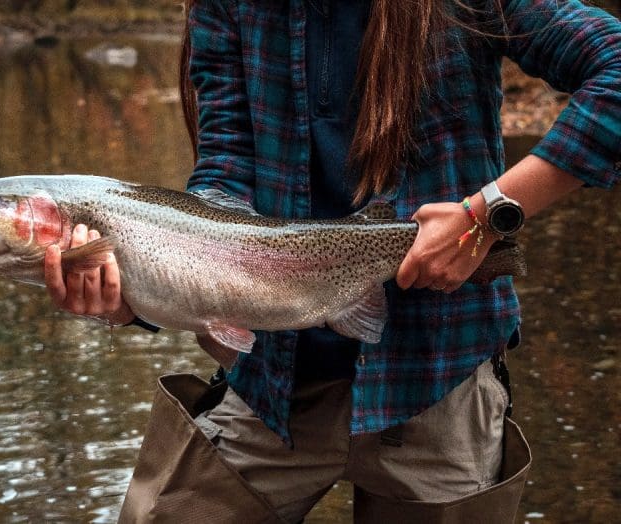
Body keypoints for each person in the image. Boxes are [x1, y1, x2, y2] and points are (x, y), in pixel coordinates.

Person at [44, 0, 620, 522]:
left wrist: (485, 215)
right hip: (273, 381)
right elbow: (222, 182)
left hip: (438, 373)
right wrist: (136, 293)